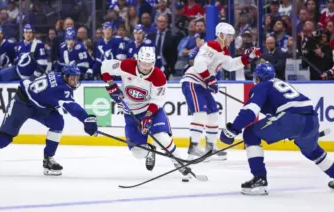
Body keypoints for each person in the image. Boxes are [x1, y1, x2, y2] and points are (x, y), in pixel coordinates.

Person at [0, 65, 98, 176]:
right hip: (22, 103)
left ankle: (48, 159)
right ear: (65, 77)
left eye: (76, 78)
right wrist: (87, 119)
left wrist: (86, 119)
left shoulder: (59, 77)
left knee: (57, 122)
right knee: (3, 140)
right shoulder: (60, 89)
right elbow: (73, 107)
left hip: (40, 105)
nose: (75, 81)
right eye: (72, 79)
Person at [220, 63, 334, 195]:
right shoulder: (280, 84)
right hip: (312, 119)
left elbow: (250, 111)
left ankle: (259, 179)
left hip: (291, 118)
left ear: (257, 79)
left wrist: (233, 130)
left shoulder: (263, 85)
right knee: (313, 151)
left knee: (251, 134)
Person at [100, 46, 192, 179]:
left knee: (162, 137)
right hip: (130, 112)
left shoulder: (159, 76)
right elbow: (105, 67)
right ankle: (150, 152)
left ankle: (178, 162)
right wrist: (111, 85)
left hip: (151, 110)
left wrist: (148, 116)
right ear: (138, 60)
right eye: (143, 63)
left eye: (149, 63)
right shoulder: (126, 65)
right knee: (138, 153)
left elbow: (157, 99)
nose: (145, 66)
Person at [180, 22, 261, 160]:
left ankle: (210, 148)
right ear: (221, 35)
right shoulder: (212, 46)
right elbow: (199, 63)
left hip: (202, 84)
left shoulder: (223, 50)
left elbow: (230, 65)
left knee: (213, 115)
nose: (231, 39)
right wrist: (210, 79)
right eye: (229, 36)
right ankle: (194, 147)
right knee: (200, 113)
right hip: (193, 82)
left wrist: (248, 57)